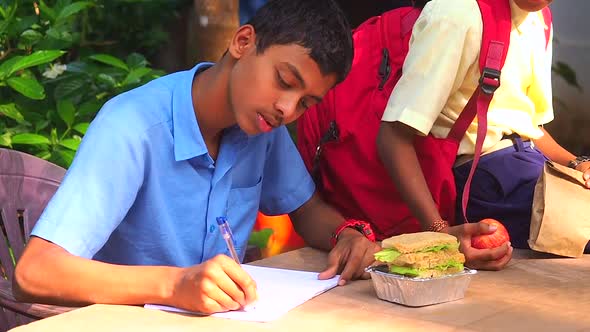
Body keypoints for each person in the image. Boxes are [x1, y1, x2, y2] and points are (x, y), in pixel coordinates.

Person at [13, 0, 379, 314]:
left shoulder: (261, 128)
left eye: (306, 103)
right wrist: (176, 285)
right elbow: (34, 273)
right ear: (243, 42)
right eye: (284, 80)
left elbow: (307, 209)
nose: (287, 108)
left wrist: (346, 235)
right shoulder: (134, 127)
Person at [377, 0, 590, 260]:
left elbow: (530, 127)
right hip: (482, 177)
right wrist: (440, 232)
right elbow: (393, 136)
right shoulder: (457, 13)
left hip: (530, 163)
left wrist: (577, 164)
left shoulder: (540, 19)